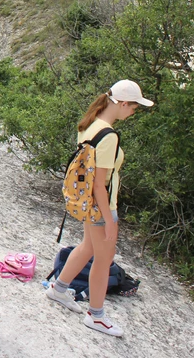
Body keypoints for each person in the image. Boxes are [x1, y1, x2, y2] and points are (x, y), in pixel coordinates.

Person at [45, 79, 153, 337]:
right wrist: (110, 220)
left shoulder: (90, 126)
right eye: (134, 107)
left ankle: (59, 289)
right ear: (123, 104)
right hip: (101, 206)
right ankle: (96, 315)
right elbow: (99, 185)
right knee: (103, 260)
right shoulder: (109, 136)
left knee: (88, 247)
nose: (133, 112)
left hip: (87, 204)